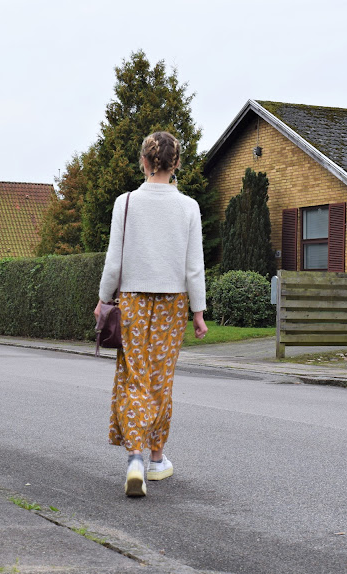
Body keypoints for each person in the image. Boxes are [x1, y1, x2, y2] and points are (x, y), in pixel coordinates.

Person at [94, 131, 207, 497]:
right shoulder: (188, 207)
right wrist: (198, 311)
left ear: (144, 162)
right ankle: (157, 459)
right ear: (177, 164)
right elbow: (194, 267)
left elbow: (114, 260)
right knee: (160, 379)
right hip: (172, 303)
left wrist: (103, 299)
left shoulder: (125, 203)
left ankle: (135, 459)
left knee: (133, 378)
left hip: (132, 300)